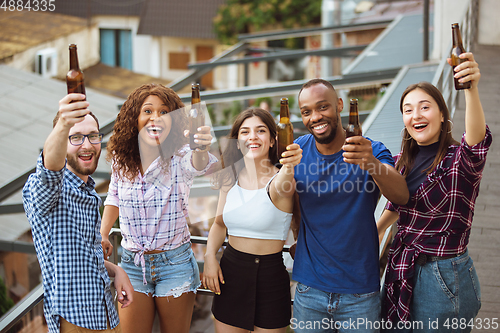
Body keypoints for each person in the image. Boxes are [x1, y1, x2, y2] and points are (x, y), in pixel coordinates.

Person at [377, 52, 490, 332]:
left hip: (442, 274)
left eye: (424, 107)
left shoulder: (460, 160)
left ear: (442, 113)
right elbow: (397, 205)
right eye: (408, 109)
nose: (416, 115)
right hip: (401, 267)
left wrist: (471, 88)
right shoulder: (403, 159)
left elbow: (477, 139)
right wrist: (375, 232)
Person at [291, 79, 409, 333]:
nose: (315, 117)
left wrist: (371, 164)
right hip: (309, 290)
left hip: (359, 293)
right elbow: (291, 203)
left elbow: (401, 195)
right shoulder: (299, 149)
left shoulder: (372, 150)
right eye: (306, 111)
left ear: (340, 105)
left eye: (323, 107)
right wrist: (297, 236)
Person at [100, 83, 217, 333]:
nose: (156, 118)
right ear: (135, 118)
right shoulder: (122, 159)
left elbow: (199, 164)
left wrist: (202, 149)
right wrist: (103, 232)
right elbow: (114, 196)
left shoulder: (180, 154)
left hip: (174, 264)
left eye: (164, 112)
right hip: (131, 264)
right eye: (148, 111)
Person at [22, 93, 133, 333]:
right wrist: (63, 123)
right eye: (75, 137)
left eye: (93, 136)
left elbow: (82, 260)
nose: (87, 144)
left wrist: (116, 270)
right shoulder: (48, 189)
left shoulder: (88, 192)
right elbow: (49, 172)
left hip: (104, 313)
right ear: (62, 143)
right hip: (74, 320)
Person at [203, 107, 302, 332]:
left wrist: (289, 163)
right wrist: (210, 257)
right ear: (237, 142)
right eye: (245, 132)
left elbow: (285, 181)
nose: (252, 137)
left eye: (260, 131)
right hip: (230, 273)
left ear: (272, 140)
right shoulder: (230, 178)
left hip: (271, 277)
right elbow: (219, 224)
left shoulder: (282, 180)